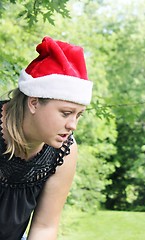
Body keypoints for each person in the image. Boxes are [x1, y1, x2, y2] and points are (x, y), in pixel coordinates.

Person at [0, 36, 93, 240]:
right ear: (33, 102)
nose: (72, 125)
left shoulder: (64, 151)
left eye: (78, 115)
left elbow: (45, 227)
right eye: (65, 112)